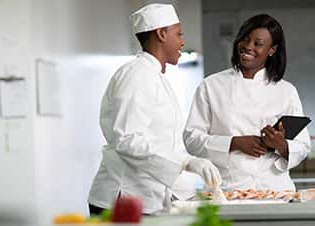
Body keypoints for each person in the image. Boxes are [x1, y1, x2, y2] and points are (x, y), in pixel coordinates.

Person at [88, 3, 221, 215]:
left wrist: (188, 193)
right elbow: (128, 139)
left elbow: (160, 145)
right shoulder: (137, 75)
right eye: (178, 34)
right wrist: (187, 162)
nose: (182, 41)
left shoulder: (155, 76)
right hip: (122, 200)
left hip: (146, 197)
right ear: (161, 34)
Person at [183, 14, 310, 192]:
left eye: (257, 43)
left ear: (272, 50)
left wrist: (280, 145)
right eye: (244, 39)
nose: (248, 47)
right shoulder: (211, 86)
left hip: (275, 191)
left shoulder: (286, 91)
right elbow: (191, 139)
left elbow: (303, 147)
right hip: (228, 191)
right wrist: (234, 143)